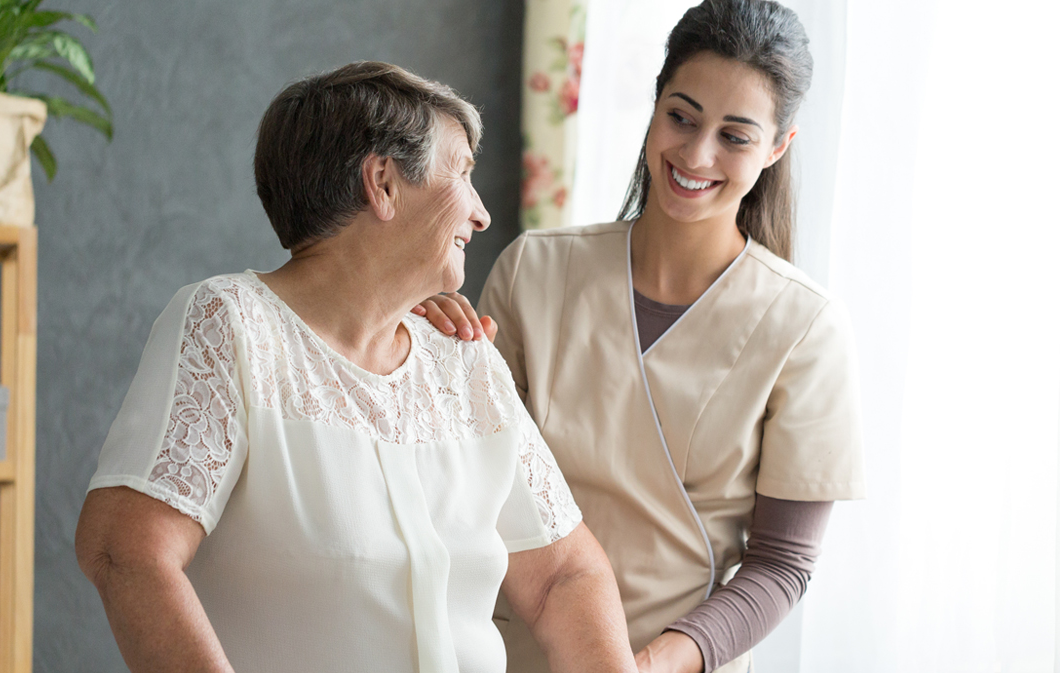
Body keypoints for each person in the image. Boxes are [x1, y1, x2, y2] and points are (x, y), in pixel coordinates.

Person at [74, 61, 638, 673]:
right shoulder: (232, 327)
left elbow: (565, 575)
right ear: (383, 184)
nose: (482, 214)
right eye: (463, 174)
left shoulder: (464, 361)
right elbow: (125, 549)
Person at [418, 2, 865, 672]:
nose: (696, 153)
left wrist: (652, 662)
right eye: (681, 116)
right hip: (510, 649)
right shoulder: (536, 270)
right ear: (655, 107)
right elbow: (460, 483)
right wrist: (430, 355)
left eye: (735, 136)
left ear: (777, 148)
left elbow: (781, 563)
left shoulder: (805, 328)